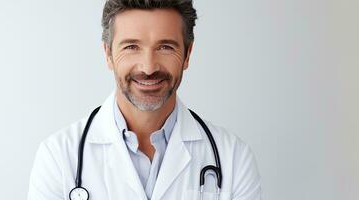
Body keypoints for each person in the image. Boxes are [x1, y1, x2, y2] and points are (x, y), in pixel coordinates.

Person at [28, 0, 262, 199]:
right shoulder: (58, 157)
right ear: (108, 55)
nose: (148, 67)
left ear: (188, 55)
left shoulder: (233, 158)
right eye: (131, 47)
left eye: (165, 47)